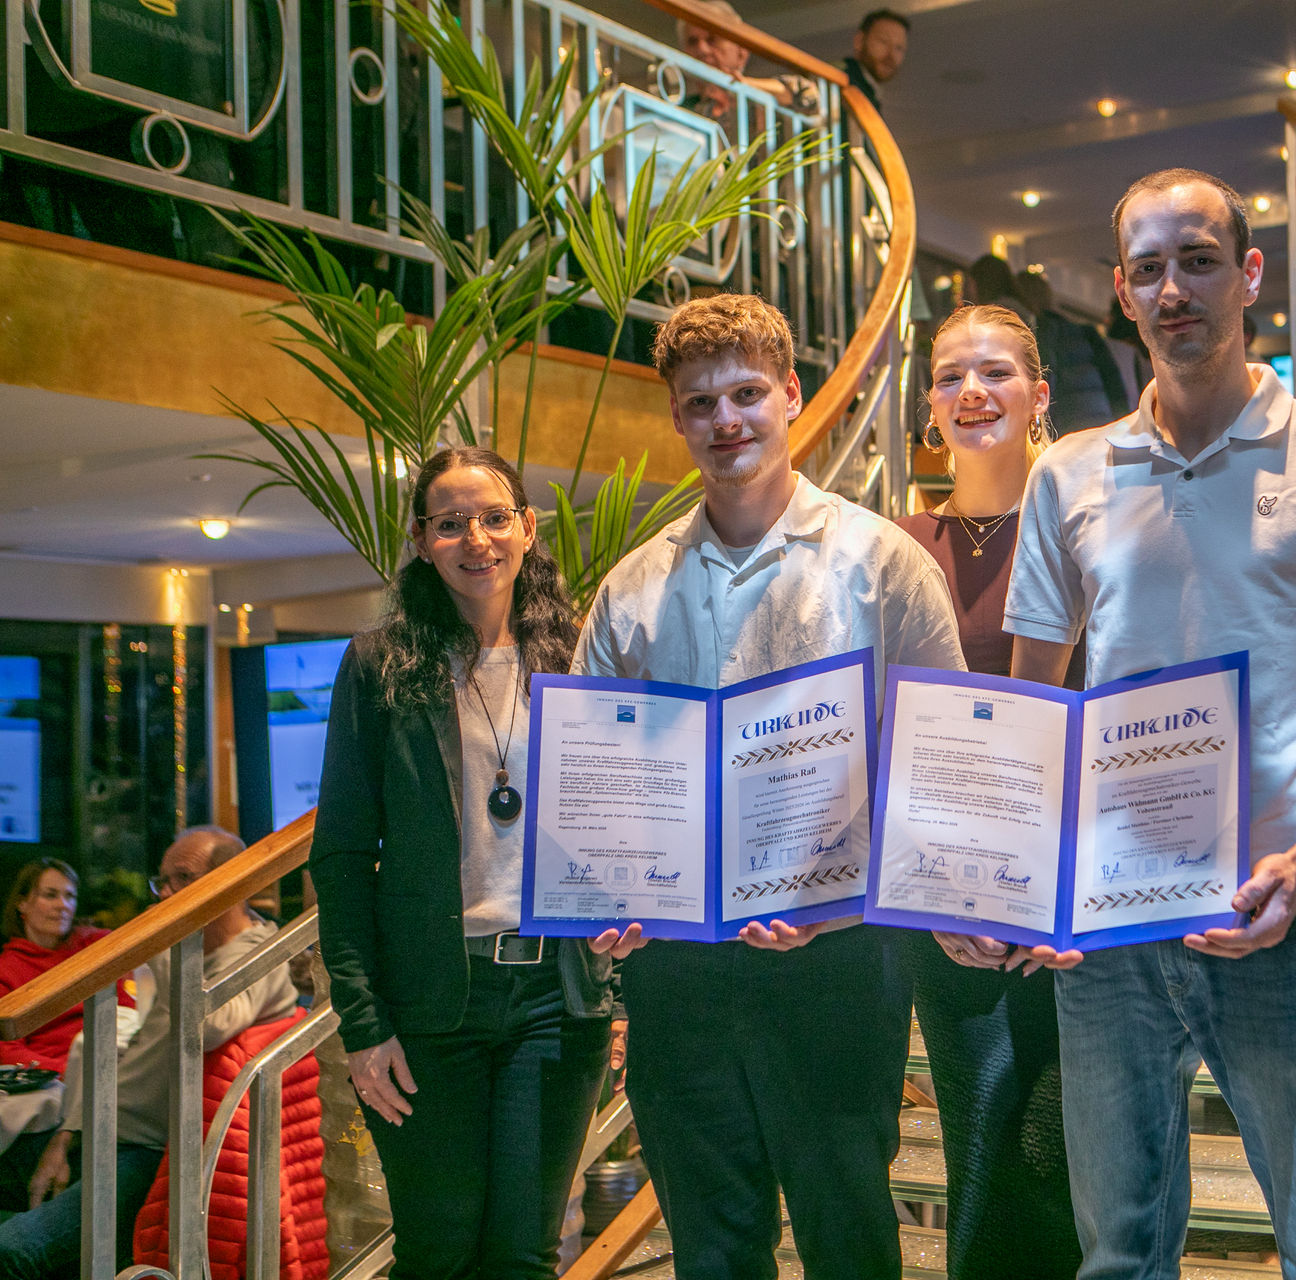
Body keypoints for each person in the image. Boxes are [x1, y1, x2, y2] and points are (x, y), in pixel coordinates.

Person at [1003, 167, 1296, 1280]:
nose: (1175, 290)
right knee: (1118, 1254)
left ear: (1249, 274)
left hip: (1284, 916)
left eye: (1199, 261)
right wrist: (1020, 885)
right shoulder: (1065, 474)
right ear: (1121, 291)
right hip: (1110, 927)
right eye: (1149, 268)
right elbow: (1028, 718)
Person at [575, 293, 965, 1280]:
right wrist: (607, 895)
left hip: (839, 958)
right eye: (701, 402)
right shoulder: (630, 589)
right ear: (676, 417)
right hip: (679, 970)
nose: (727, 419)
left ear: (791, 393)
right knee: (712, 1245)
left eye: (747, 393)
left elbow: (939, 762)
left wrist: (846, 894)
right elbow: (599, 786)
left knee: (848, 1233)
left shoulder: (886, 563)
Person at [310, 446, 616, 1280]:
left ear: (527, 528)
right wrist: (364, 1027)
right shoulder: (379, 666)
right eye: (450, 524)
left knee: (522, 1255)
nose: (475, 539)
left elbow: (624, 821)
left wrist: (620, 971)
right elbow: (341, 857)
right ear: (421, 540)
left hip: (556, 998)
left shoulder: (580, 658)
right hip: (429, 1004)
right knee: (438, 1251)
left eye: (493, 518)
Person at [898, 303, 1082, 1280]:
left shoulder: (1087, 526)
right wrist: (937, 892)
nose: (972, 392)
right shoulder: (897, 545)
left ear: (1039, 393)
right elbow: (884, 735)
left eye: (997, 371)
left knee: (1063, 1159)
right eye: (949, 376)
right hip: (949, 902)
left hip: (1074, 900)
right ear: (931, 407)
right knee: (979, 1153)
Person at [0, 827, 298, 1279]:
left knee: (12, 1250)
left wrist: (166, 936)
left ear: (232, 884)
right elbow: (128, 1055)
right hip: (101, 1133)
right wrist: (66, 1137)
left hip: (149, 1154)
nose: (166, 894)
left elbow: (210, 1025)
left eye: (183, 879)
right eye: (163, 881)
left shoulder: (259, 952)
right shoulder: (197, 946)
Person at [0, 859, 134, 1165]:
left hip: (113, 1065)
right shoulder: (7, 969)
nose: (63, 905)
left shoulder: (96, 945)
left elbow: (127, 1011)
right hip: (52, 1081)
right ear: (22, 903)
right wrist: (72, 1072)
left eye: (70, 896)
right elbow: (6, 1049)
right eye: (50, 895)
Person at [1011, 271, 1128, 436]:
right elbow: (1113, 381)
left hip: (1067, 427)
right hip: (1101, 420)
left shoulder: (1036, 335)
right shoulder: (1085, 331)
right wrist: (1123, 424)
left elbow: (1047, 381)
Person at [677, 0, 820, 124]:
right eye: (692, 42)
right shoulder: (679, 107)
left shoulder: (760, 104)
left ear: (741, 52)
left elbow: (808, 94)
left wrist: (741, 85)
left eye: (712, 39)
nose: (702, 49)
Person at [842, 9, 909, 114]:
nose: (891, 55)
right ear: (859, 41)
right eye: (883, 41)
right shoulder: (838, 81)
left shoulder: (871, 94)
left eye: (899, 48)